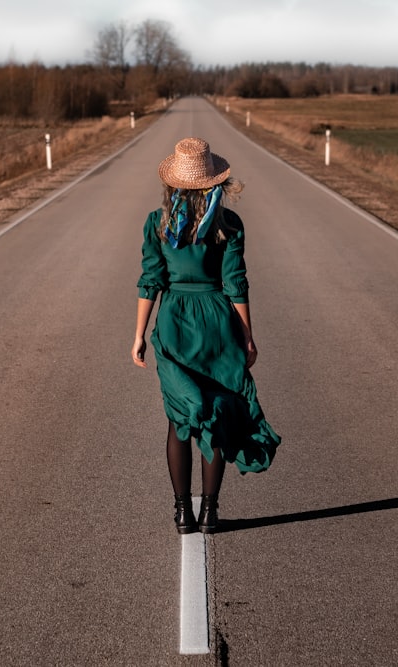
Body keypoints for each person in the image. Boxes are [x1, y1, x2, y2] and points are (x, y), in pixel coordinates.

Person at [132, 137, 281, 534]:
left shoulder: (157, 223)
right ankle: (210, 512)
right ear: (213, 180)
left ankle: (183, 512)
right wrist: (246, 336)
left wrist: (140, 335)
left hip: (175, 324)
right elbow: (236, 284)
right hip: (216, 325)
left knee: (179, 419)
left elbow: (151, 282)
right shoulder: (229, 225)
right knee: (215, 414)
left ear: (172, 183)